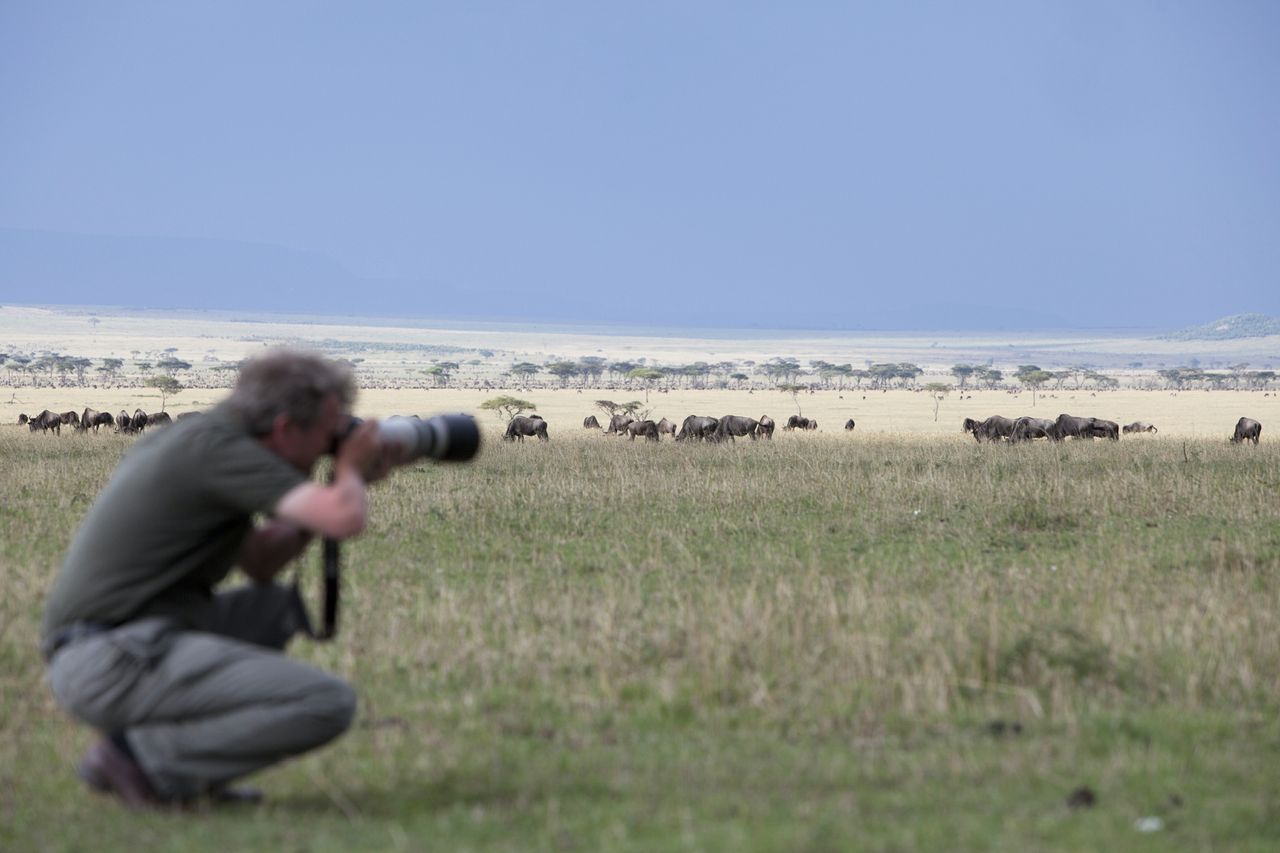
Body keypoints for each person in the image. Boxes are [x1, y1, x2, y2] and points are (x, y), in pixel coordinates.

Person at [41, 349, 405, 809]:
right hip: (109, 658)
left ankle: (194, 776)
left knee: (270, 607)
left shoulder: (207, 441)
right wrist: (350, 472)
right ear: (284, 429)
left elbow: (260, 562)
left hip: (122, 643)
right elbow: (344, 519)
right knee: (328, 703)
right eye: (327, 435)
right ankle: (138, 758)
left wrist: (337, 479)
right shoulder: (217, 448)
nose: (332, 444)